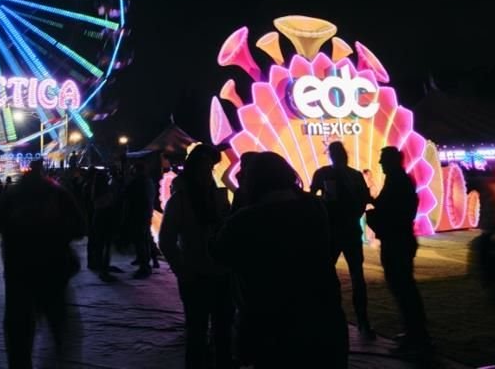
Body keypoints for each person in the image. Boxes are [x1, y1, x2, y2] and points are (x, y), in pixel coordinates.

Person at [212, 152, 347, 368]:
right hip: (322, 316)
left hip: (270, 324)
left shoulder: (244, 220)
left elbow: (219, 256)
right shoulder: (314, 207)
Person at [0, 159, 86, 368]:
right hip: (53, 269)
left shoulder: (11, 196)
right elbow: (79, 227)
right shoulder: (57, 193)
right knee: (58, 324)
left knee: (19, 332)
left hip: (18, 271)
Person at [159, 144, 233, 369]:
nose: (206, 173)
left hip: (221, 273)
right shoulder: (180, 201)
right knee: (198, 331)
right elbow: (167, 241)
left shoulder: (219, 197)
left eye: (209, 168)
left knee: (223, 330)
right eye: (202, 168)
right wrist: (183, 271)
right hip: (196, 274)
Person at [367, 146, 430, 355]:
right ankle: (414, 331)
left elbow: (390, 211)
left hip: (397, 240)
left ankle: (416, 335)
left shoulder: (397, 182)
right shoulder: (399, 180)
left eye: (383, 159)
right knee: (403, 288)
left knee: (403, 288)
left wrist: (373, 209)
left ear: (392, 161)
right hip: (399, 239)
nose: (380, 163)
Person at [310, 141, 374, 338]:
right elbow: (365, 200)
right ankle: (362, 322)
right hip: (349, 229)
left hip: (333, 230)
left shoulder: (324, 173)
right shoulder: (354, 175)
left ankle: (330, 318)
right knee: (356, 276)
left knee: (327, 274)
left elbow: (312, 198)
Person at [124, 159, 155, 279]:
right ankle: (143, 262)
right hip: (144, 214)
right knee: (144, 239)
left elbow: (130, 195)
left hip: (139, 214)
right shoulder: (147, 181)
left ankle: (144, 266)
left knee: (141, 240)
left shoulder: (139, 182)